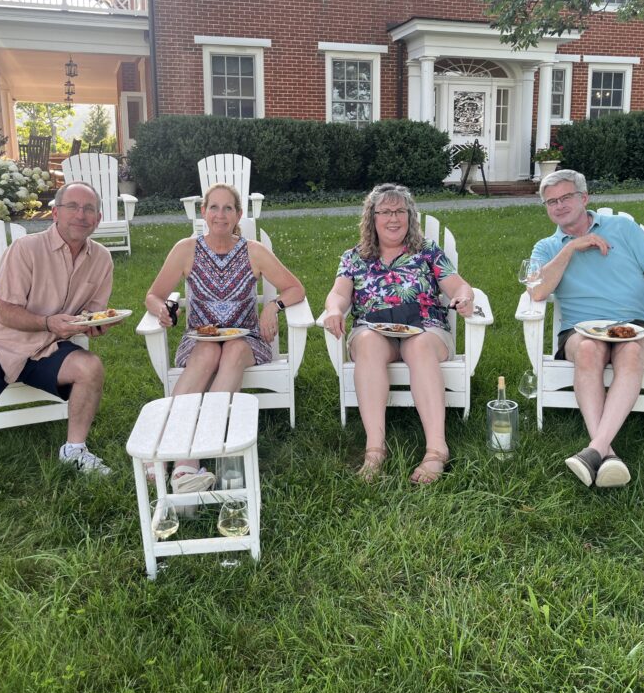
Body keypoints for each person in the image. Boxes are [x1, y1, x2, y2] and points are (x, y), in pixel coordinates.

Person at [0, 181, 120, 527]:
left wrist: (95, 325)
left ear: (99, 218)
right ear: (55, 212)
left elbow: (91, 313)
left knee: (90, 367)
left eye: (89, 209)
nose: (81, 214)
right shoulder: (26, 250)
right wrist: (48, 322)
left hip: (47, 349)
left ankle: (74, 451)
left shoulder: (101, 258)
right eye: (73, 206)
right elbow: (6, 313)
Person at [529, 169, 644, 488]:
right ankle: (607, 453)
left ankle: (595, 450)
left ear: (584, 198)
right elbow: (537, 291)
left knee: (629, 351)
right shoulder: (547, 247)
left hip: (638, 326)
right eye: (551, 202)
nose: (558, 206)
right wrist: (571, 248)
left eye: (566, 197)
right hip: (580, 330)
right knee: (588, 349)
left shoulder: (624, 229)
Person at [145, 182, 305, 492]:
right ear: (203, 211)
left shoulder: (253, 251)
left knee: (231, 350)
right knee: (207, 353)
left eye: (228, 208)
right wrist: (161, 309)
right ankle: (184, 462)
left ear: (239, 215)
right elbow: (153, 295)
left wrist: (273, 305)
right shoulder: (185, 249)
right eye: (213, 207)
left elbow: (295, 288)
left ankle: (190, 455)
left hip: (246, 338)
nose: (220, 215)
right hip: (199, 338)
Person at [321, 183, 476, 484]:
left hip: (426, 329)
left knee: (417, 348)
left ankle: (436, 449)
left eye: (400, 211)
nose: (394, 218)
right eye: (386, 212)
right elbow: (338, 295)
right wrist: (333, 310)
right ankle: (375, 450)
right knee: (366, 343)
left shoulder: (427, 251)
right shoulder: (354, 257)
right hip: (375, 329)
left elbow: (458, 285)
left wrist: (464, 298)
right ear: (372, 218)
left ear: (410, 216)